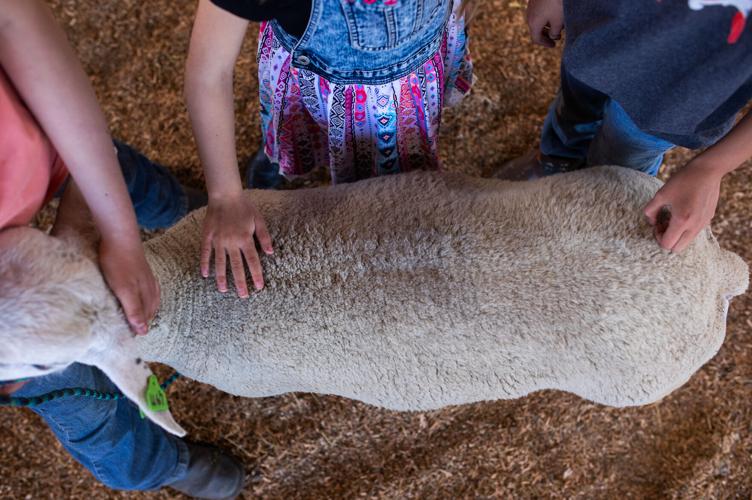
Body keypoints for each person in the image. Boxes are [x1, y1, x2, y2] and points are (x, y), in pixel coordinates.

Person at [0, 1, 241, 497]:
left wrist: (116, 233)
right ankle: (160, 463)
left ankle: (181, 208)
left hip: (40, 150)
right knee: (79, 402)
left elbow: (12, 17)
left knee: (112, 174)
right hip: (15, 349)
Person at [185, 0, 474, 297]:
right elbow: (209, 73)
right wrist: (225, 194)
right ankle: (282, 156)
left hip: (399, 89)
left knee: (380, 198)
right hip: (308, 66)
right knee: (300, 126)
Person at [496, 0, 752, 254]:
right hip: (596, 37)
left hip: (675, 101)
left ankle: (592, 208)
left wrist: (711, 168)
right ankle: (555, 163)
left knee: (620, 163)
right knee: (572, 113)